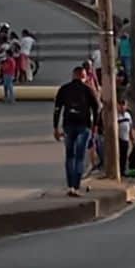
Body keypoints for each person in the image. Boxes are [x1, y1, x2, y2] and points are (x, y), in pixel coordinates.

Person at [54, 67, 100, 197]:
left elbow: (57, 109)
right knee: (79, 157)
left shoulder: (64, 89)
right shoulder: (87, 90)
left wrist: (55, 127)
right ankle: (76, 186)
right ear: (83, 76)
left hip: (68, 125)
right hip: (84, 126)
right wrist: (95, 125)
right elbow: (96, 108)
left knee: (70, 156)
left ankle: (70, 187)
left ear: (73, 75)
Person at [118, 99, 134, 176]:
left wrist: (132, 139)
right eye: (121, 105)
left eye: (124, 105)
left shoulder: (128, 115)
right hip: (119, 139)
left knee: (124, 156)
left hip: (126, 138)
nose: (122, 107)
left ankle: (123, 171)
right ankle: (119, 171)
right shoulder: (116, 116)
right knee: (119, 155)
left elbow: (130, 127)